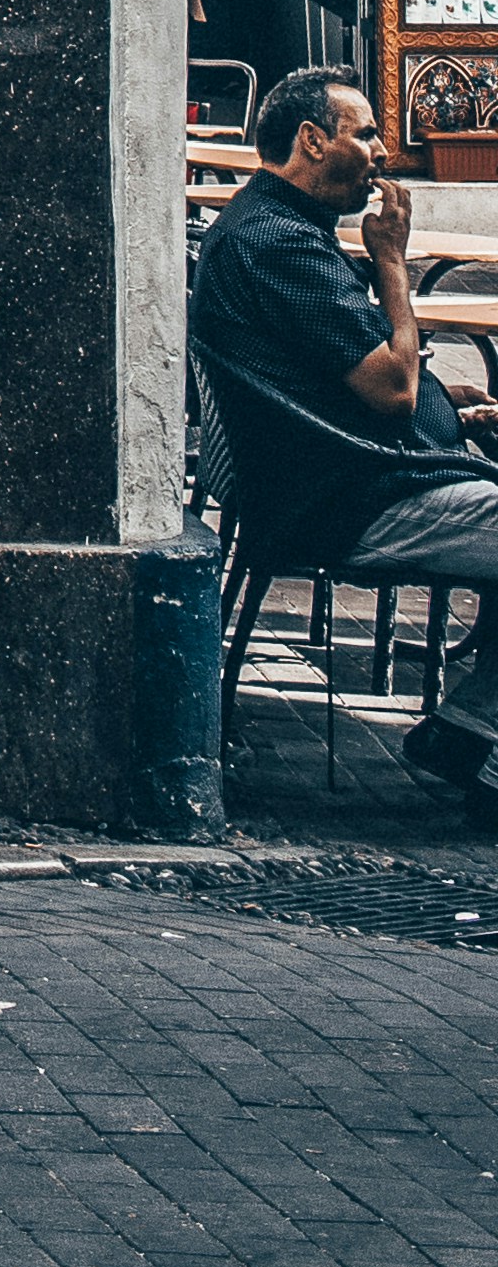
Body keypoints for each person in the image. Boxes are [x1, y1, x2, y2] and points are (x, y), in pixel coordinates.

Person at [192, 60, 498, 795]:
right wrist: (390, 259)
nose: (383, 156)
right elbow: (392, 390)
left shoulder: (272, 227)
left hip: (353, 477)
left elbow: (340, 376)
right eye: (366, 135)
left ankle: (471, 731)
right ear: (313, 140)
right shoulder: (281, 246)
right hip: (351, 498)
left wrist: (448, 406)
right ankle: (483, 745)